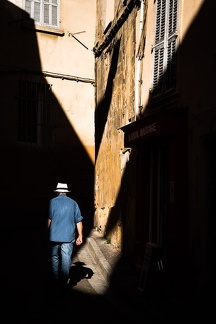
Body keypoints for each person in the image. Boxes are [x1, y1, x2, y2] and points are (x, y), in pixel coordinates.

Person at [47, 182, 83, 287]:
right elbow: (79, 221)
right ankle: (64, 280)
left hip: (54, 235)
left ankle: (55, 279)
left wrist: (46, 232)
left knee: (54, 257)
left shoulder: (52, 202)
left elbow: (49, 219)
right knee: (66, 257)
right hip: (68, 236)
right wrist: (80, 235)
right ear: (66, 192)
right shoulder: (74, 203)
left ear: (58, 191)